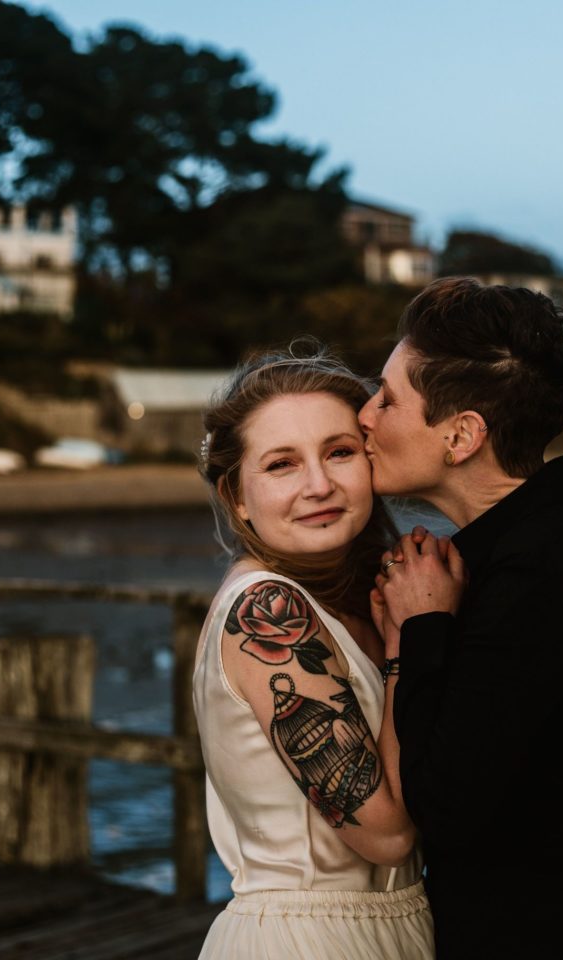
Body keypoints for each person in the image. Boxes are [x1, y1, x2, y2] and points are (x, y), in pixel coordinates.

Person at [360, 277, 563, 958]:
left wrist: (416, 634)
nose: (365, 416)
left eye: (387, 399)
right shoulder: (545, 541)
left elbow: (445, 808)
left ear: (461, 435)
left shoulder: (544, 566)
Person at [193, 343, 433, 959]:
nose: (320, 485)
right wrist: (413, 644)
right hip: (309, 940)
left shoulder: (359, 595)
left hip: (389, 930)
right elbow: (386, 837)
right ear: (237, 496)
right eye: (281, 465)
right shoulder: (266, 611)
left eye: (340, 452)